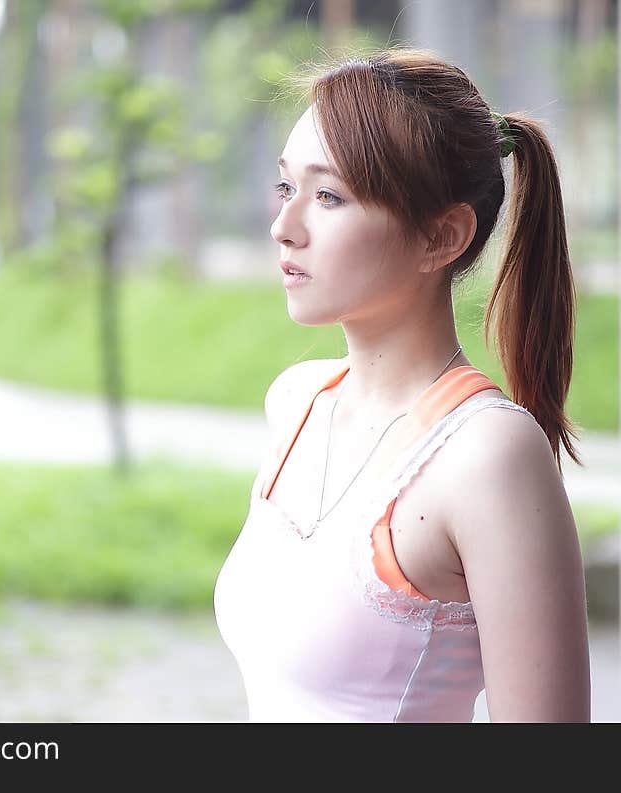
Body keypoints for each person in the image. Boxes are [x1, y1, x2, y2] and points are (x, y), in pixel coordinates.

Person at [213, 46, 591, 723]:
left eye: (327, 196)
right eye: (285, 187)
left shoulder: (487, 455)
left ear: (441, 237)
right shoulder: (297, 402)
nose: (284, 227)